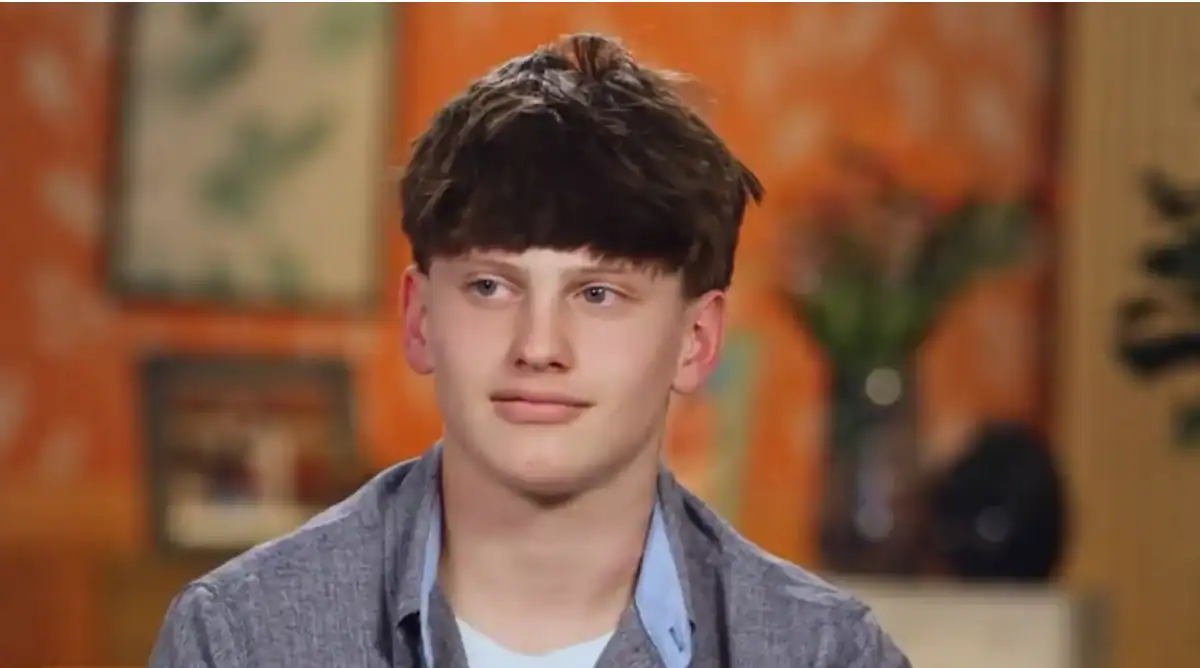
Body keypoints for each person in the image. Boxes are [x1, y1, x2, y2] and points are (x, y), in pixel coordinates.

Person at [150, 33, 911, 668]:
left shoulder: (824, 655)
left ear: (696, 340)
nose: (539, 346)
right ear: (420, 318)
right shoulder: (242, 639)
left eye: (598, 294)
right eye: (490, 287)